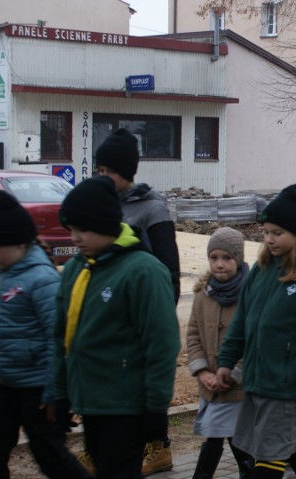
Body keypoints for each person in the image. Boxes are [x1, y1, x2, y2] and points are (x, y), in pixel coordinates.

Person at [53, 176, 180, 478]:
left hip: (127, 404)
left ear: (107, 225)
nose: (74, 238)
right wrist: (61, 392)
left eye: (82, 229)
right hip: (92, 400)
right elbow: (62, 335)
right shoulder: (77, 269)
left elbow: (161, 343)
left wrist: (156, 407)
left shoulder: (143, 271)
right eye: (70, 229)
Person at [216, 184, 296, 479]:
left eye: (277, 233)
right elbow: (242, 322)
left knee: (269, 460)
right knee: (287, 450)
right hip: (259, 381)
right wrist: (226, 361)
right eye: (265, 231)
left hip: (288, 387)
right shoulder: (260, 270)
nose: (268, 239)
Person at [94, 127, 181, 475]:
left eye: (107, 172)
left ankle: (159, 447)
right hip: (111, 316)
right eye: (97, 171)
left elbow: (169, 272)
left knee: (147, 386)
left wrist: (155, 317)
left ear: (126, 173)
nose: (101, 178)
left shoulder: (152, 209)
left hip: (143, 317)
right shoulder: (101, 206)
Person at [0, 192, 93, 479]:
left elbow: (56, 338)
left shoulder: (42, 280)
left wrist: (53, 391)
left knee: (51, 457)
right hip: (0, 385)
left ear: (20, 243)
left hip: (36, 389)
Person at [186, 228, 254, 478]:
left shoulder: (251, 293)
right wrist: (202, 370)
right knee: (231, 440)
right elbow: (193, 334)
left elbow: (255, 342)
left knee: (219, 438)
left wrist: (235, 373)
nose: (220, 264)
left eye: (226, 258)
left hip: (238, 388)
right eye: (214, 258)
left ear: (238, 258)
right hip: (210, 386)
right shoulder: (204, 293)